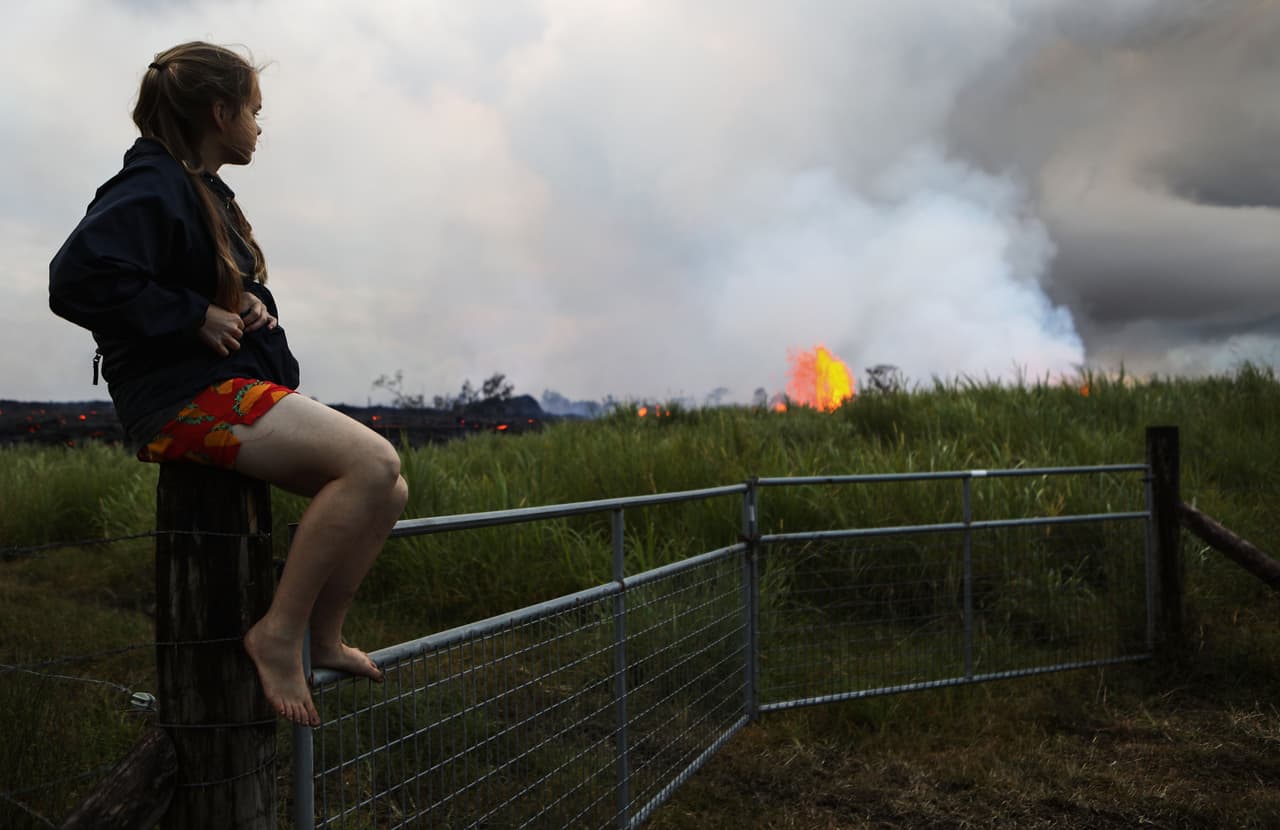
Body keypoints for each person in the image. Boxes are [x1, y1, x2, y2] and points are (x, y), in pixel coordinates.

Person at [49, 41, 408, 727]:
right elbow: (75, 279)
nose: (260, 127)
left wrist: (249, 301)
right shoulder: (148, 184)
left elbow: (192, 274)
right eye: (254, 111)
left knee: (390, 489)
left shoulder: (199, 190)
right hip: (181, 400)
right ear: (220, 112)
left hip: (216, 385)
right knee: (373, 462)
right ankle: (277, 633)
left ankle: (321, 637)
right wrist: (193, 317)